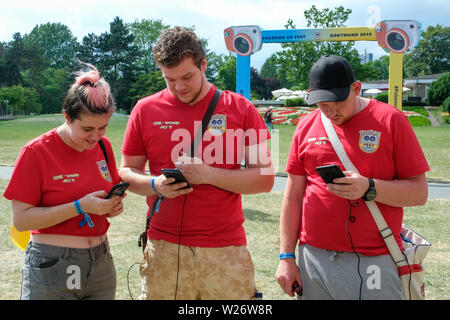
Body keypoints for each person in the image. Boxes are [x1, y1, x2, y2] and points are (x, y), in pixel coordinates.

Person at [119, 26, 274, 300]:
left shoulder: (241, 109)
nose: (179, 87)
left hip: (225, 250)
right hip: (163, 248)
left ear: (204, 64)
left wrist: (209, 174)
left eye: (187, 77)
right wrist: (155, 184)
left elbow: (264, 179)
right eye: (169, 79)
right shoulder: (144, 109)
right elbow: (126, 172)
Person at [275, 55, 429, 300]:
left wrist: (368, 187)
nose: (331, 111)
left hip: (374, 260)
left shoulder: (390, 120)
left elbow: (419, 193)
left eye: (338, 102)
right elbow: (292, 197)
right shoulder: (305, 126)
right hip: (312, 257)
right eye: (322, 104)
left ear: (356, 88)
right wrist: (286, 257)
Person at [3, 63, 125, 300]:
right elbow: (22, 220)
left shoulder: (103, 146)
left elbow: (106, 192)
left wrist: (111, 207)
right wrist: (80, 206)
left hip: (101, 262)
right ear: (68, 117)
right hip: (52, 263)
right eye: (87, 128)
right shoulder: (36, 152)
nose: (95, 136)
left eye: (103, 127)